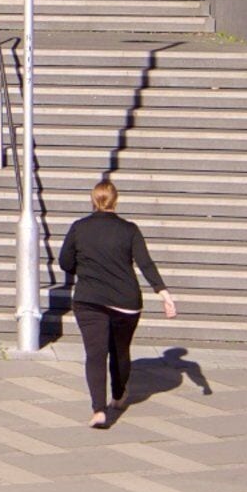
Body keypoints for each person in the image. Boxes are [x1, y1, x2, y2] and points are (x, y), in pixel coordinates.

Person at [61, 179, 174, 428]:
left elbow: (64, 262)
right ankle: (120, 394)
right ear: (115, 200)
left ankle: (98, 411)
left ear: (93, 200)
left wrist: (84, 268)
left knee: (95, 354)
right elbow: (145, 263)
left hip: (89, 299)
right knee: (120, 351)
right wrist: (163, 293)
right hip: (126, 301)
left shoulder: (79, 228)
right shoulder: (129, 230)